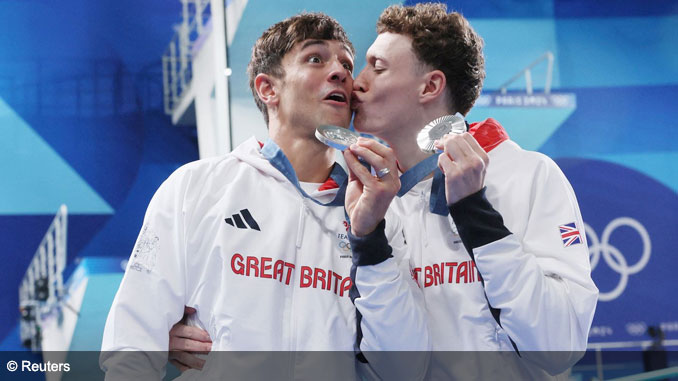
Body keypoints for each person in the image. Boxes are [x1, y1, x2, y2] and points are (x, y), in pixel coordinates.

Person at [100, 12, 428, 381]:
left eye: (346, 65)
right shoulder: (197, 187)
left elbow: (406, 368)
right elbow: (133, 339)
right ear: (267, 88)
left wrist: (369, 239)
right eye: (316, 58)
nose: (340, 72)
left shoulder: (379, 213)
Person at [350, 3, 598, 379]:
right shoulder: (370, 203)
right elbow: (396, 369)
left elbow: (558, 345)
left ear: (430, 86)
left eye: (377, 67)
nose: (357, 81)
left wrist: (475, 214)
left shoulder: (528, 174)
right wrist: (369, 239)